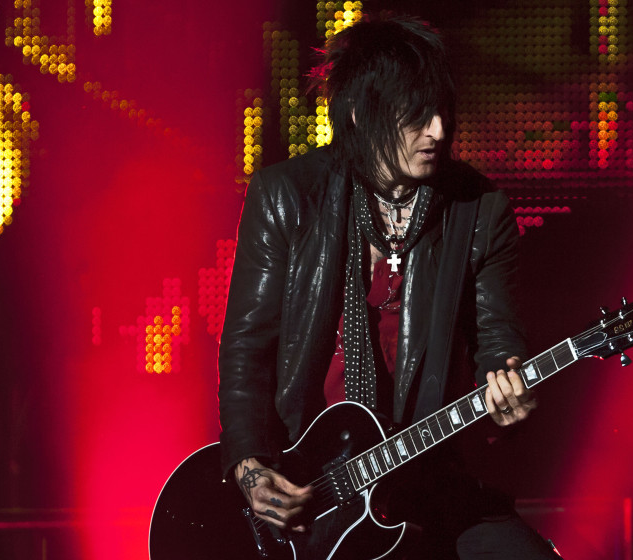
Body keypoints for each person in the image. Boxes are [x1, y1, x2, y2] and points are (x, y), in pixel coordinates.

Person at [217, 16, 559, 559]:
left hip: (425, 471)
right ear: (360, 112)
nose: (440, 132)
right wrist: (250, 467)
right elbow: (246, 351)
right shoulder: (286, 195)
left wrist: (507, 386)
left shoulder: (478, 208)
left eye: (444, 112)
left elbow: (498, 337)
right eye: (419, 116)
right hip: (310, 484)